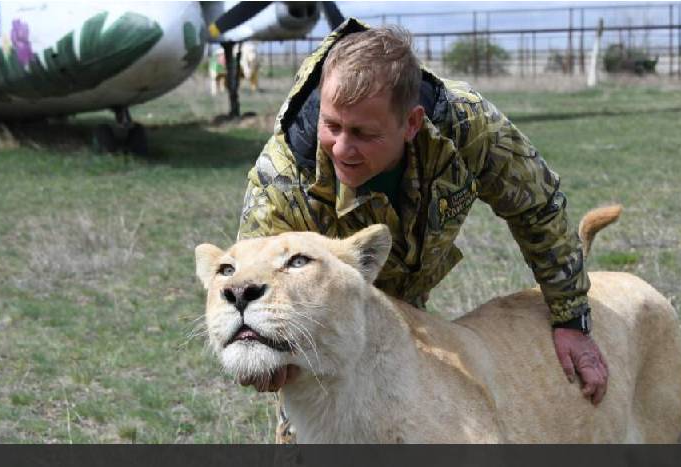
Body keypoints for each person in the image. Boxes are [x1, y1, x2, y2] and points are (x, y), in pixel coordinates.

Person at [235, 20, 608, 442]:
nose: (341, 148)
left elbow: (537, 207)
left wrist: (571, 318)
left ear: (412, 123)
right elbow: (250, 277)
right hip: (326, 329)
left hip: (411, 309)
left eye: (363, 133)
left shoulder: (467, 126)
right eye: (332, 126)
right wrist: (266, 349)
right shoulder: (282, 178)